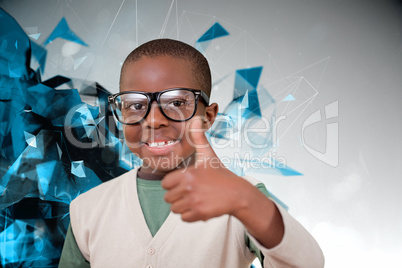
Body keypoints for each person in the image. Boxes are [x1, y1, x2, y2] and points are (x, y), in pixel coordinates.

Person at [59, 39, 324, 267]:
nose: (153, 120)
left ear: (208, 117)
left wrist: (247, 200)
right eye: (135, 105)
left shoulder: (242, 198)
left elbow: (306, 263)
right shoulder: (88, 209)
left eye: (176, 102)